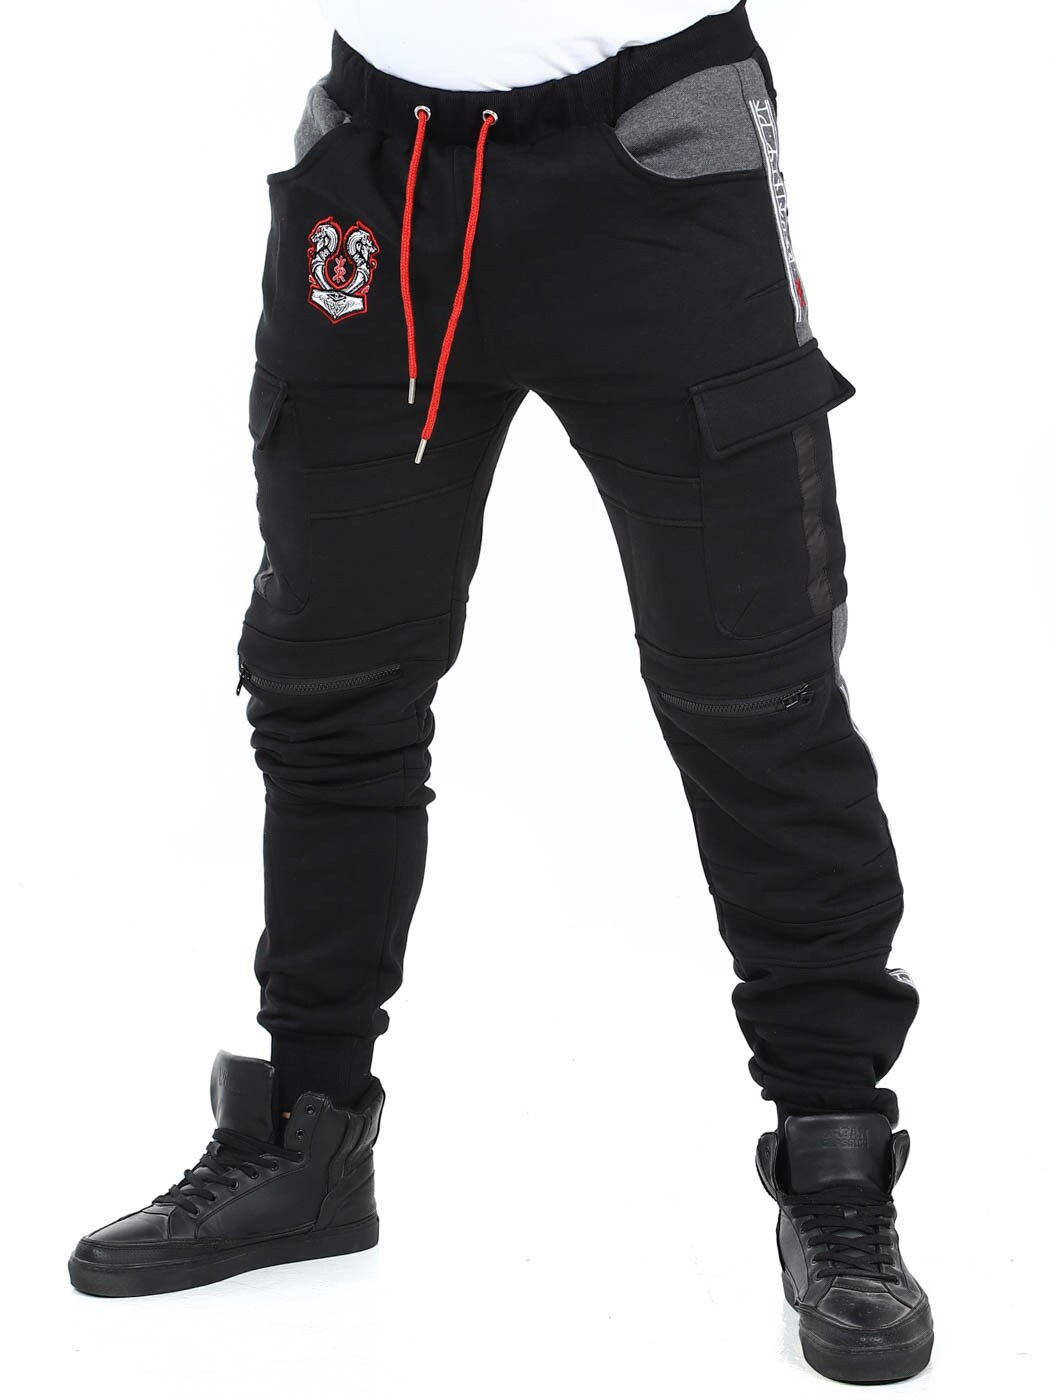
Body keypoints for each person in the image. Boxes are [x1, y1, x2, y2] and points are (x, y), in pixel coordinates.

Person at [68, 1, 933, 1383]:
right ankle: (306, 1138)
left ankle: (835, 1165)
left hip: (654, 157)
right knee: (329, 681)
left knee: (755, 692)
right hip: (378, 163)